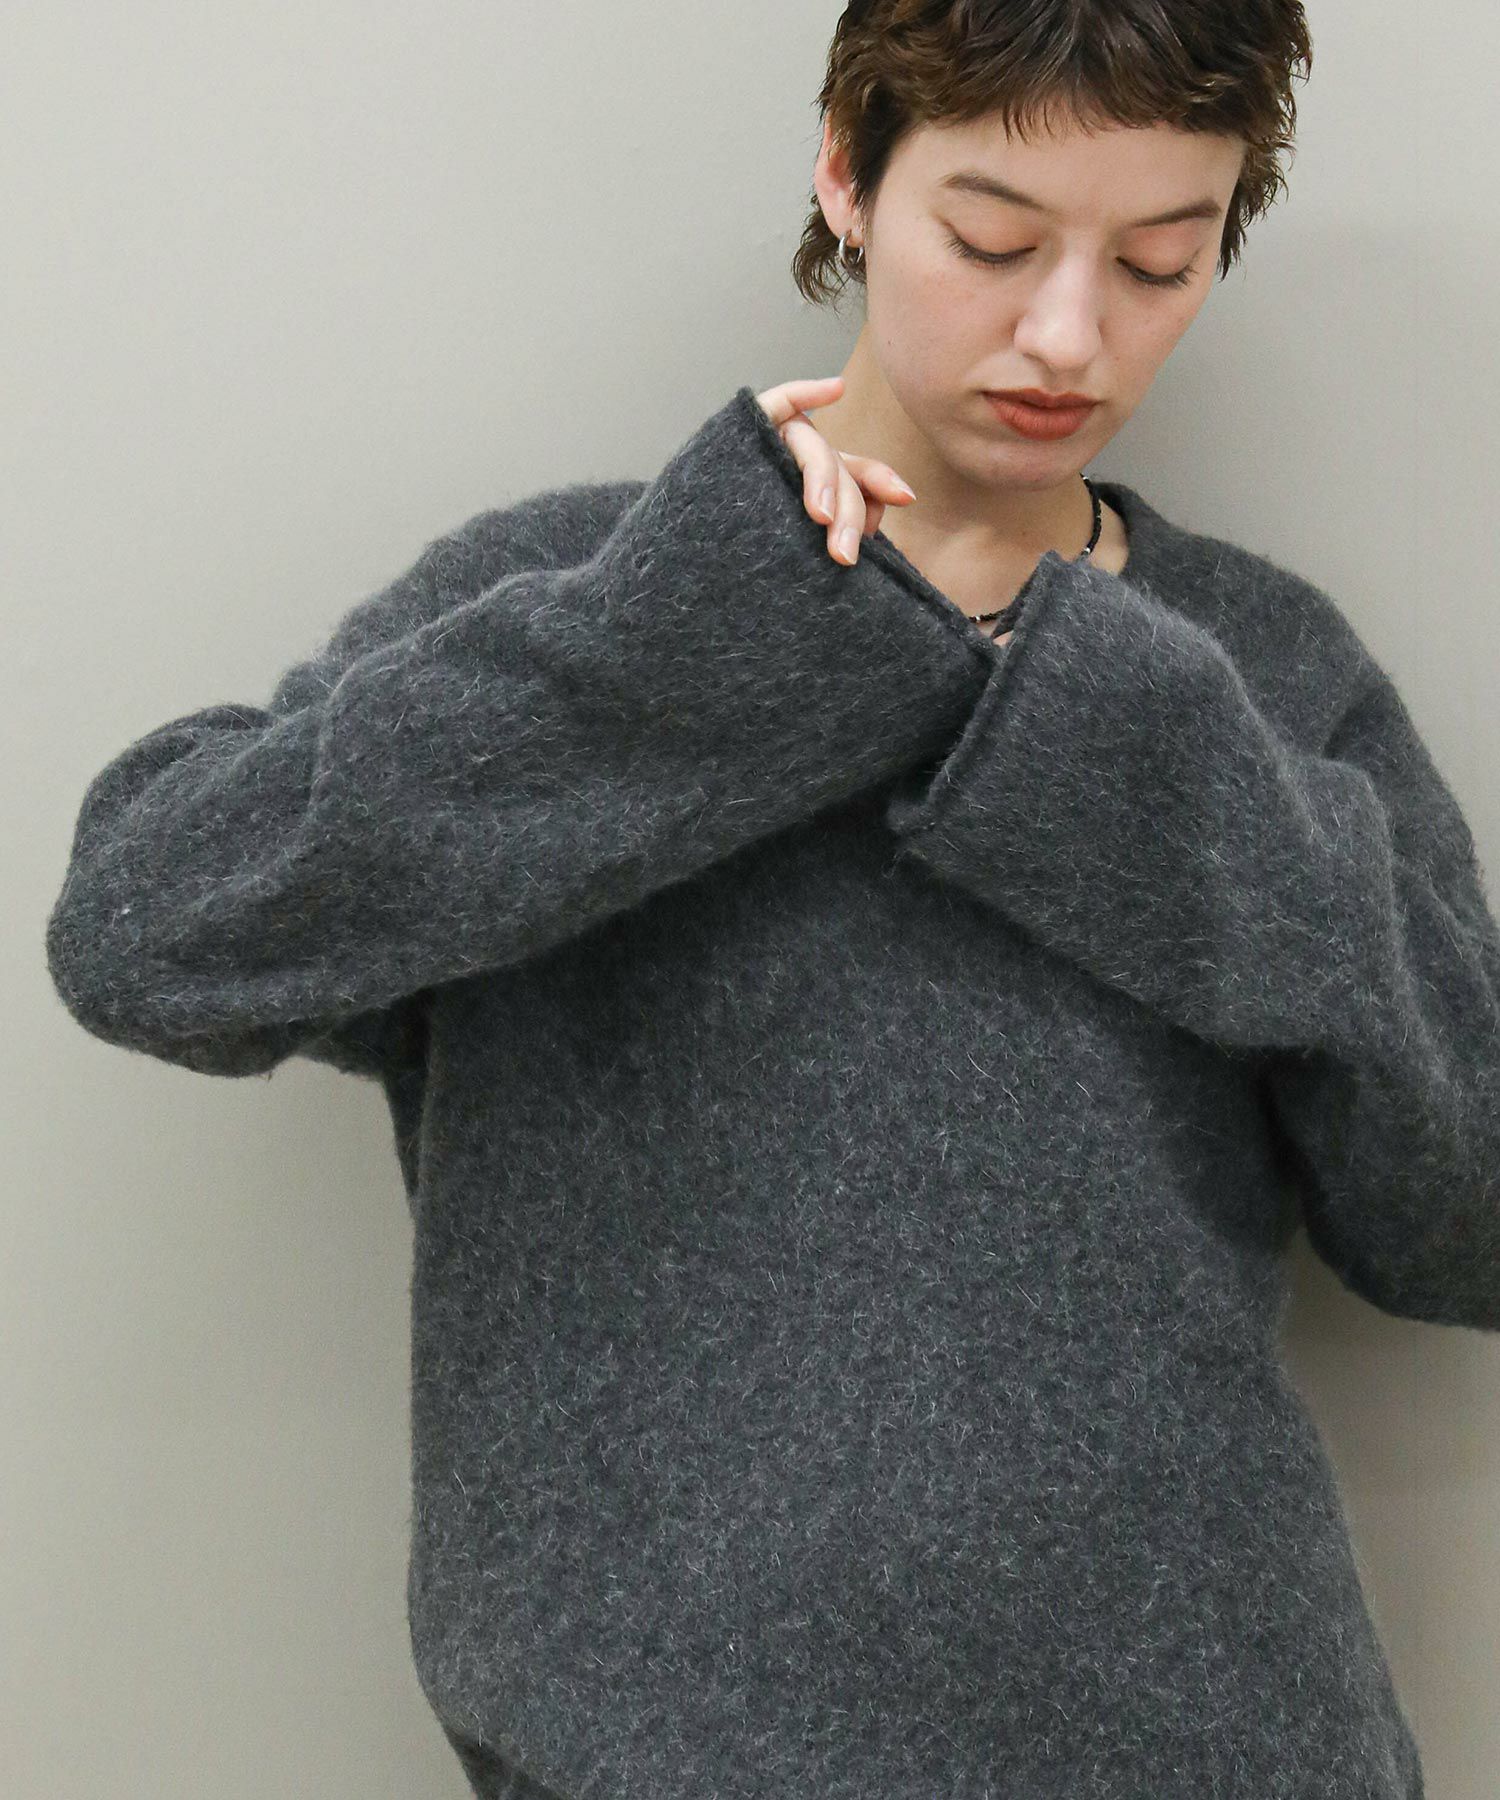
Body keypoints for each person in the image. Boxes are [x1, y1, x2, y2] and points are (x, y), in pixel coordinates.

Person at [45, 6, 1497, 1799]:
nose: (1069, 335)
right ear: (848, 177)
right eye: (992, 240)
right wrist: (684, 649)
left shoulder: (1257, 668)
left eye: (1157, 262)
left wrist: (1163, 764)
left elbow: (1470, 1225)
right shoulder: (581, 596)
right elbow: (149, 939)